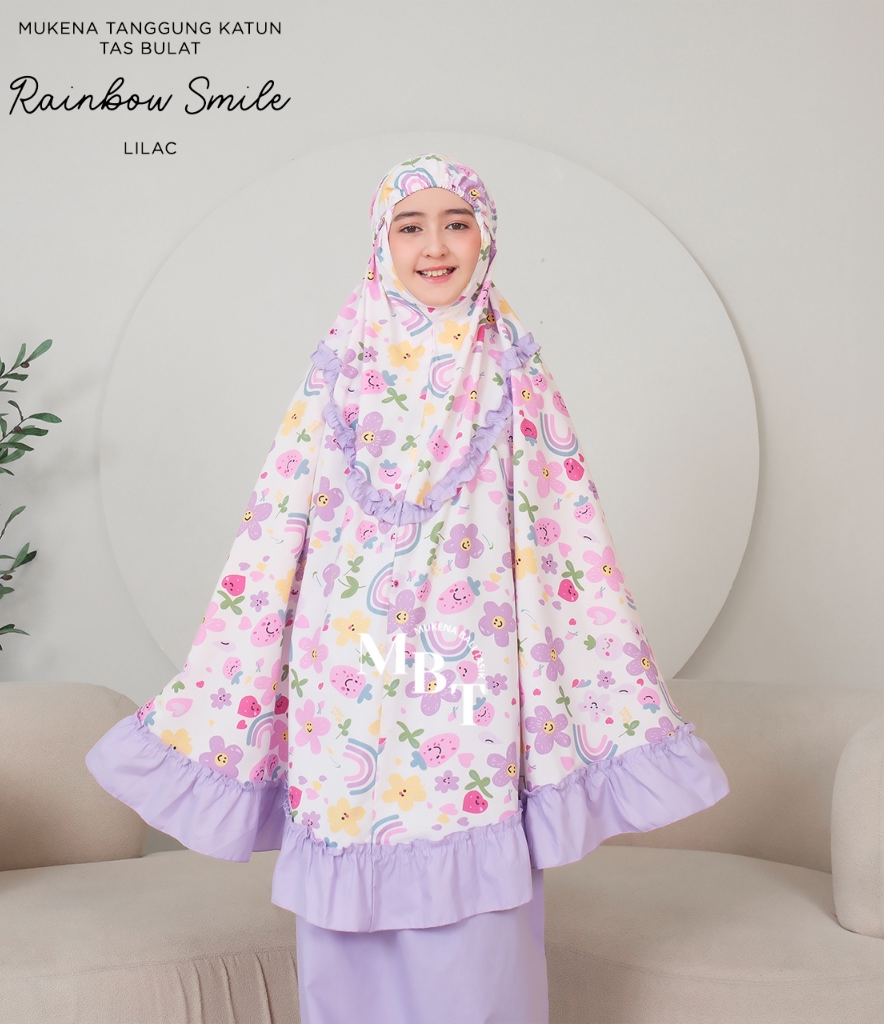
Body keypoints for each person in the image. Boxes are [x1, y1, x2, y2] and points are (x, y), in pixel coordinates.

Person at [87, 154, 730, 1024]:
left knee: (473, 874)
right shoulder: (341, 362)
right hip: (346, 664)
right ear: (380, 243)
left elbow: (561, 519)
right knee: (350, 847)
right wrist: (256, 647)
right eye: (411, 226)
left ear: (486, 238)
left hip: (474, 662)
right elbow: (283, 509)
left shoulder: (513, 365)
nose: (435, 246)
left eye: (456, 223)